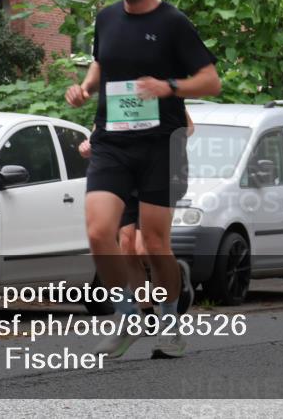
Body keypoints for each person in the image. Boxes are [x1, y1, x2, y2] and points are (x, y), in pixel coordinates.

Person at [65, 0, 220, 359]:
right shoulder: (106, 18)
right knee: (101, 233)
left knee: (153, 244)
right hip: (112, 142)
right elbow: (102, 61)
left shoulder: (173, 23)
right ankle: (127, 315)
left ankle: (169, 320)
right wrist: (85, 87)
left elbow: (210, 80)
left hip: (160, 145)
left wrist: (168, 86)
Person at [77, 112, 196, 318]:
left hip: (156, 173)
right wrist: (88, 145)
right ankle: (146, 310)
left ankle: (176, 275)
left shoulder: (158, 87)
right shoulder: (114, 92)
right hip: (124, 175)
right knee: (127, 245)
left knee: (145, 249)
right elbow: (99, 133)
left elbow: (188, 128)